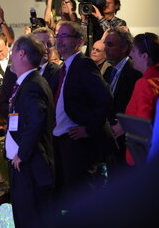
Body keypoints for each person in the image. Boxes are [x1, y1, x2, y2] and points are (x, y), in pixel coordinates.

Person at [52, 21, 113, 203]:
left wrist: (88, 128)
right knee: (68, 196)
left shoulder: (83, 64)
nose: (59, 41)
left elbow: (105, 98)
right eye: (58, 36)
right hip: (62, 140)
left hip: (78, 142)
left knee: (82, 196)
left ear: (78, 41)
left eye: (65, 36)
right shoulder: (64, 68)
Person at [5, 35, 55, 227]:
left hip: (31, 166)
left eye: (13, 51)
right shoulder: (28, 82)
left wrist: (22, 154)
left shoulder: (33, 84)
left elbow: (37, 119)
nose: (10, 56)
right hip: (25, 166)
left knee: (31, 219)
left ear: (22, 54)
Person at [124, 33, 159, 166]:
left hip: (143, 158)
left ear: (145, 56)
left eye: (134, 51)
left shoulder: (145, 83)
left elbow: (143, 127)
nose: (130, 55)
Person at [103, 28, 142, 172]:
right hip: (111, 139)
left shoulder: (135, 72)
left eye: (110, 44)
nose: (105, 48)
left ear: (125, 47)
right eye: (105, 44)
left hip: (126, 139)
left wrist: (125, 125)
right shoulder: (108, 71)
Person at [31, 27, 61, 94]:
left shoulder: (59, 72)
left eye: (50, 44)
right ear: (31, 45)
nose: (45, 48)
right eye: (41, 44)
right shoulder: (14, 70)